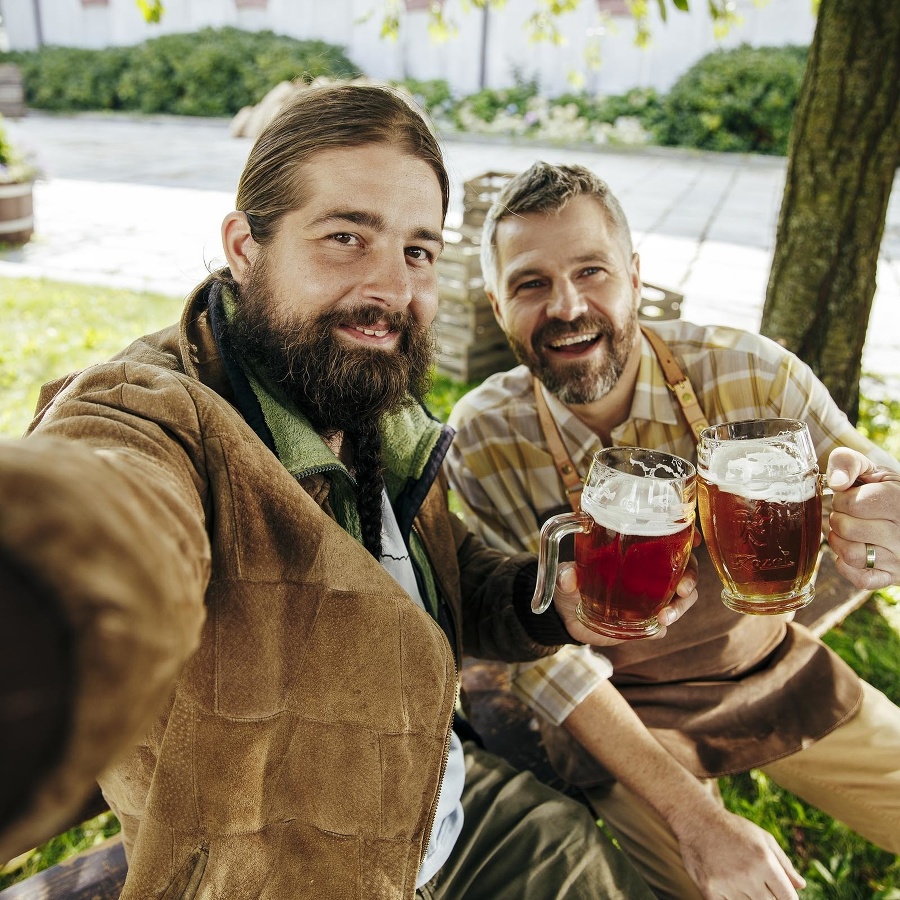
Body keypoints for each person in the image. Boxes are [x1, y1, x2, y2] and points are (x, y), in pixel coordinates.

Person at [0, 87, 686, 900]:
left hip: (444, 808)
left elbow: (440, 569)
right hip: (294, 875)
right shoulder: (156, 411)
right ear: (245, 247)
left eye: (416, 251)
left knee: (575, 856)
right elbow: (116, 511)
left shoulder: (367, 400)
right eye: (346, 237)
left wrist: (547, 605)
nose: (390, 290)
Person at [445, 161, 900, 900]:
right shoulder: (480, 439)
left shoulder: (751, 374)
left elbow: (877, 488)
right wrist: (696, 819)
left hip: (769, 670)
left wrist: (884, 522)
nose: (567, 307)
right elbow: (545, 665)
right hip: (625, 713)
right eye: (531, 284)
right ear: (496, 305)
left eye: (591, 271)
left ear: (634, 274)